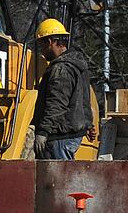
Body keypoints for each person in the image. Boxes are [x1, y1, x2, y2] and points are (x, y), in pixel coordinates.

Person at [30, 18, 93, 160]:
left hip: (59, 136)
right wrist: (88, 123)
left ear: (50, 42)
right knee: (63, 177)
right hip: (68, 134)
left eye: (42, 45)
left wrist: (43, 132)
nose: (41, 51)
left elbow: (56, 104)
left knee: (58, 180)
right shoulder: (76, 64)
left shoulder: (61, 68)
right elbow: (84, 99)